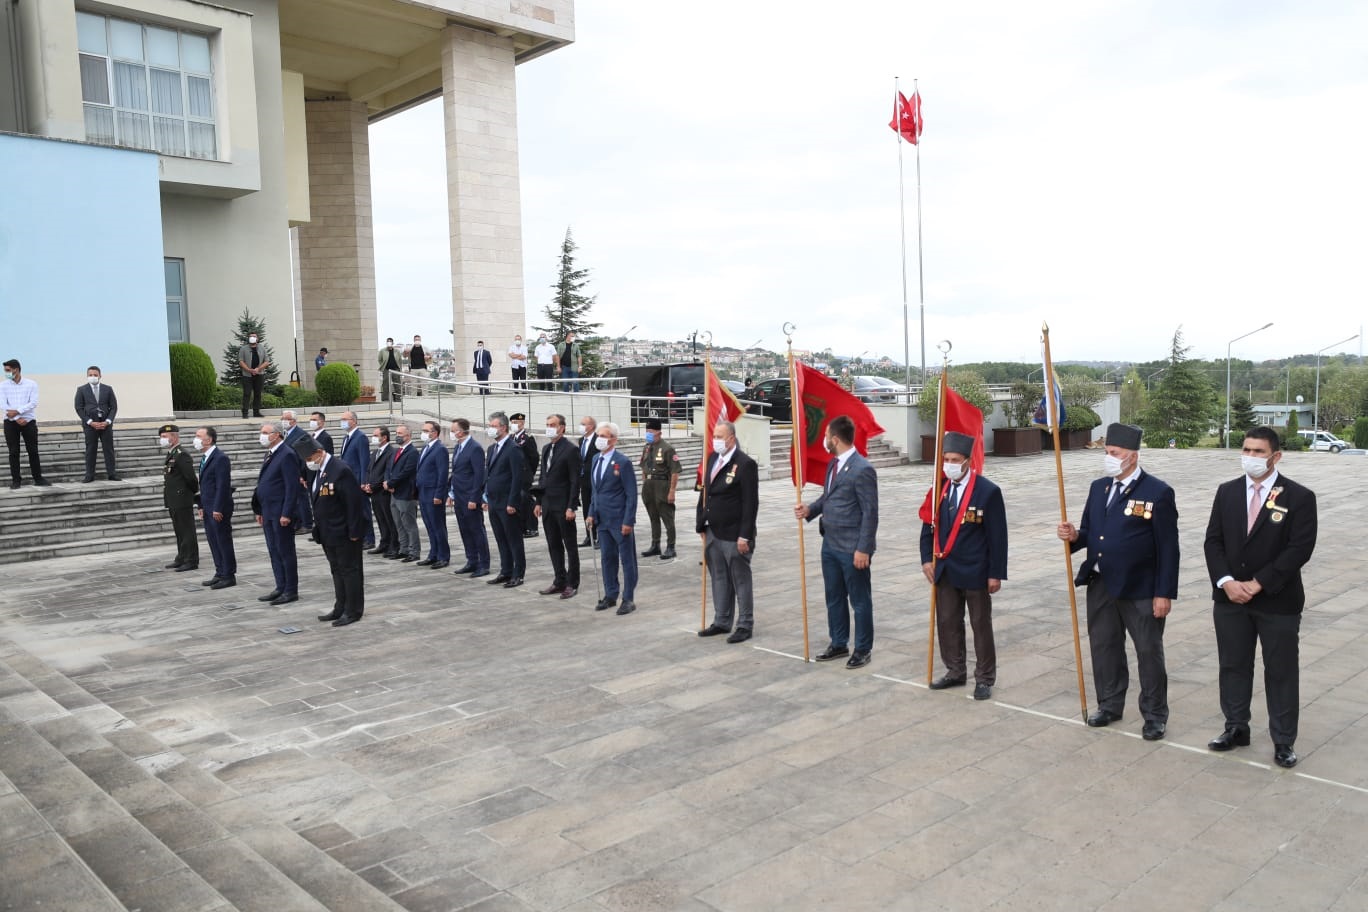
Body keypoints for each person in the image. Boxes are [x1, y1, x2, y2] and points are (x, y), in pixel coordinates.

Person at [1203, 427, 1318, 768]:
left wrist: (1258, 584)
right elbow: (1213, 541)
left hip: (1276, 601)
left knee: (1280, 671)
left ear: (1275, 456)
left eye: (1258, 452)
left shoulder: (1298, 497)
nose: (1250, 457)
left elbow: (1300, 549)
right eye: (1246, 450)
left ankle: (1283, 740)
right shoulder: (1226, 493)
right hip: (1230, 600)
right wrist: (1226, 581)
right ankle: (1235, 727)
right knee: (1233, 665)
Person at [1056, 423, 1178, 741]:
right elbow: (1090, 532)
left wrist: (1163, 593)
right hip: (1101, 582)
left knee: (1148, 652)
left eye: (1115, 453)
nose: (1109, 458)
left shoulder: (1157, 492)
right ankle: (1109, 704)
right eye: (1107, 453)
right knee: (1105, 647)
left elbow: (1168, 548)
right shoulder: (1100, 488)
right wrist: (1073, 537)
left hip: (1141, 588)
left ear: (1133, 457)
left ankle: (1154, 715)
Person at [921, 431, 1009, 700]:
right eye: (946, 459)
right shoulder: (939, 489)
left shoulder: (988, 491)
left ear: (968, 461)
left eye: (954, 459)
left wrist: (996, 573)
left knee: (980, 625)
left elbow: (998, 536)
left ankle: (984, 678)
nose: (949, 464)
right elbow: (928, 526)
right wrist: (926, 558)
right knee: (947, 622)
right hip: (945, 570)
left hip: (976, 571)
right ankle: (955, 670)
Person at [795, 415, 879, 668]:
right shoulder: (833, 465)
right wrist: (810, 509)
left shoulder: (863, 469)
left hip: (853, 547)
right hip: (830, 544)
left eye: (826, 437)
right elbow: (828, 497)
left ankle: (863, 648)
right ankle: (839, 642)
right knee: (834, 597)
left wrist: (863, 548)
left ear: (834, 439)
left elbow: (870, 513)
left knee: (860, 601)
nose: (824, 441)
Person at [294, 435, 369, 627]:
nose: (308, 463)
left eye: (309, 459)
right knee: (336, 570)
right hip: (328, 532)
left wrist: (354, 532)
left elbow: (354, 504)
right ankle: (340, 606)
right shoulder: (321, 470)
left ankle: (353, 611)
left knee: (350, 571)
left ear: (319, 453)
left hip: (344, 532)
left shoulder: (340, 469)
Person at [696, 420, 759, 643]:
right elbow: (705, 493)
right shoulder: (713, 459)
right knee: (719, 577)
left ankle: (744, 624)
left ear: (731, 438)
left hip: (734, 533)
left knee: (740, 579)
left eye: (720, 436)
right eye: (715, 436)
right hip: (713, 531)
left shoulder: (745, 464)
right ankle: (722, 620)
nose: (716, 440)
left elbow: (750, 503)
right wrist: (701, 523)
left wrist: (745, 535)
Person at [586, 421, 638, 615]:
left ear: (613, 440)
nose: (599, 439)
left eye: (604, 436)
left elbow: (631, 494)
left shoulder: (622, 462)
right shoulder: (595, 460)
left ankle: (628, 598)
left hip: (619, 519)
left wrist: (628, 521)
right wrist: (591, 513)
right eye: (598, 435)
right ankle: (610, 594)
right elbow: (595, 491)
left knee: (627, 560)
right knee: (607, 559)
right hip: (602, 519)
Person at [533, 413, 581, 599]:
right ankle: (559, 580)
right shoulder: (546, 448)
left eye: (553, 424)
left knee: (570, 545)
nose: (549, 427)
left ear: (562, 427)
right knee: (553, 544)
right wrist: (538, 501)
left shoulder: (570, 450)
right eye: (547, 424)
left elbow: (574, 481)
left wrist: (571, 507)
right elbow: (543, 477)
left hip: (563, 505)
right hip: (547, 504)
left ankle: (572, 582)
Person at [252, 421, 301, 605]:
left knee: (285, 551)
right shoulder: (271, 453)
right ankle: (280, 586)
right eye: (261, 432)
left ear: (277, 435)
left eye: (265, 432)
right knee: (274, 550)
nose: (262, 435)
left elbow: (291, 487)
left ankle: (290, 590)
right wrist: (259, 509)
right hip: (268, 511)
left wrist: (287, 513)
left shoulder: (287, 454)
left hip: (280, 512)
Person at [483, 412, 526, 587]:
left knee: (514, 539)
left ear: (503, 427)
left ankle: (518, 574)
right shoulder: (492, 448)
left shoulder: (513, 448)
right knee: (501, 538)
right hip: (494, 501)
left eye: (494, 426)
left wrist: (512, 502)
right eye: (490, 426)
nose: (491, 429)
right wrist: (485, 496)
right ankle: (505, 571)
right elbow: (489, 475)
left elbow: (517, 478)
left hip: (507, 502)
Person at [447, 418, 490, 578]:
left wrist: (475, 498)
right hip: (459, 496)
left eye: (453, 430)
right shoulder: (458, 447)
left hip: (470, 497)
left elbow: (479, 475)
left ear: (461, 430)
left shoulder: (475, 448)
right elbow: (457, 473)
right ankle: (471, 560)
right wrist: (451, 493)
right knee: (465, 530)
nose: (452, 433)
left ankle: (484, 564)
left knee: (476, 530)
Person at [195, 426, 236, 589]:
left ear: (209, 439)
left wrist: (217, 508)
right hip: (208, 506)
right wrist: (200, 504)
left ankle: (229, 575)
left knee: (223, 540)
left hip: (218, 508)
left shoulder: (220, 458)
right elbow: (205, 485)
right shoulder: (205, 457)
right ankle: (220, 572)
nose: (196, 439)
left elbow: (222, 486)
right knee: (213, 541)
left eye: (198, 436)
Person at [639, 418, 681, 561]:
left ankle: (671, 547)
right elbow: (643, 467)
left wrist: (672, 491)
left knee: (667, 517)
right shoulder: (646, 447)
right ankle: (655, 544)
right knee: (653, 517)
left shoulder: (668, 448)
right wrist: (644, 483)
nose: (648, 434)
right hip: (649, 485)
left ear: (659, 432)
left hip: (662, 485)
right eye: (647, 431)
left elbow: (675, 471)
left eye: (650, 432)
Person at [2, 359, 49, 489]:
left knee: (33, 450)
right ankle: (16, 480)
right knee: (13, 451)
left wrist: (18, 411)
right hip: (11, 422)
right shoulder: (3, 385)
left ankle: (38, 478)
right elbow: (3, 404)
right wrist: (17, 417)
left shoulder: (31, 384)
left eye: (7, 370)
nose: (6, 373)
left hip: (28, 421)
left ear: (16, 369)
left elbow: (33, 402)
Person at [160, 424, 199, 572]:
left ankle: (191, 560)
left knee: (187, 530)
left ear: (174, 437)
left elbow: (190, 477)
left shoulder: (181, 454)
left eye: (165, 437)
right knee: (179, 530)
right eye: (161, 437)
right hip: (173, 500)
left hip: (182, 499)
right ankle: (181, 557)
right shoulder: (172, 453)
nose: (162, 439)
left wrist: (192, 493)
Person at [72, 366, 120, 483]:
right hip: (90, 425)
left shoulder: (108, 389)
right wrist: (90, 422)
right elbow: (79, 408)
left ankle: (112, 473)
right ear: (87, 376)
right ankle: (89, 475)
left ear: (100, 376)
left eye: (95, 375)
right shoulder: (81, 390)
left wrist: (108, 421)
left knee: (108, 449)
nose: (93, 377)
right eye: (90, 375)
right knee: (91, 449)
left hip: (105, 425)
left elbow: (113, 407)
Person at [415, 419, 450, 568]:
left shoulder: (440, 449)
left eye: (426, 431)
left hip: (433, 493)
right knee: (429, 525)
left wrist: (438, 495)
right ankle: (433, 554)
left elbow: (442, 474)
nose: (423, 433)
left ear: (434, 433)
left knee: (438, 526)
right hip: (423, 493)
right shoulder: (426, 448)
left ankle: (443, 556)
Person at [337, 410, 373, 548]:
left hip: (358, 481)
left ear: (354, 421)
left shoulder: (360, 437)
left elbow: (364, 461)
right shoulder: (347, 437)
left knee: (364, 510)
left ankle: (369, 538)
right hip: (348, 480)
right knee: (353, 511)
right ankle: (359, 536)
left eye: (345, 419)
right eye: (342, 419)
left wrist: (364, 481)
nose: (343, 421)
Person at [385, 424, 420, 562]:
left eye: (400, 433)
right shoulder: (396, 451)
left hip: (405, 493)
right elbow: (389, 468)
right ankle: (403, 549)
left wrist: (392, 483)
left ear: (408, 435)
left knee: (409, 524)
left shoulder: (412, 452)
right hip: (394, 492)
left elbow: (406, 472)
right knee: (398, 523)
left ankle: (414, 551)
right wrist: (387, 482)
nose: (397, 435)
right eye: (396, 433)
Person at [364, 426, 397, 558]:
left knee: (389, 520)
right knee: (380, 519)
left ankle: (394, 545)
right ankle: (384, 543)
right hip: (374, 492)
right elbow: (369, 470)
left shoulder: (391, 452)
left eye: (376, 435)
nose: (373, 437)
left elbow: (387, 473)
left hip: (384, 492)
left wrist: (374, 486)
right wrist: (367, 484)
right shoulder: (375, 452)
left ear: (384, 437)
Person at [509, 413, 539, 537]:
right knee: (519, 501)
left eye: (517, 422)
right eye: (513, 422)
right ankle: (522, 527)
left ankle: (532, 527)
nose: (514, 424)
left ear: (523, 423)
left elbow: (534, 458)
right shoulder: (511, 438)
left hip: (525, 475)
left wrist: (529, 472)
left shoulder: (527, 438)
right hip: (514, 476)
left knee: (527, 500)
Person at [576, 416, 598, 547]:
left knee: (596, 508)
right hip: (584, 481)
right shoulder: (581, 441)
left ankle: (600, 537)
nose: (581, 426)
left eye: (583, 424)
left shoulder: (597, 440)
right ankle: (590, 535)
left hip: (595, 480)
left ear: (591, 426)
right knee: (586, 509)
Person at [238, 334, 269, 419]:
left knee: (258, 394)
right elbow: (241, 361)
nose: (252, 338)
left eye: (254, 336)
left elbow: (266, 361)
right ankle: (245, 413)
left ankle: (256, 412)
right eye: (251, 336)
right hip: (247, 375)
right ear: (248, 338)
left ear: (257, 338)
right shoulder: (243, 348)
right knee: (247, 393)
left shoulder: (262, 348)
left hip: (259, 374)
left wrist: (258, 369)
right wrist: (249, 370)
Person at [378, 337, 402, 403]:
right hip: (386, 370)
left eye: (390, 341)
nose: (389, 343)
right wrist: (383, 365)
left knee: (397, 384)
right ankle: (385, 399)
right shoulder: (382, 351)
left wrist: (400, 370)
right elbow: (379, 359)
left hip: (395, 369)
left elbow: (400, 360)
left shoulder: (397, 351)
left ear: (392, 343)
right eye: (388, 341)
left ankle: (398, 399)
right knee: (385, 384)